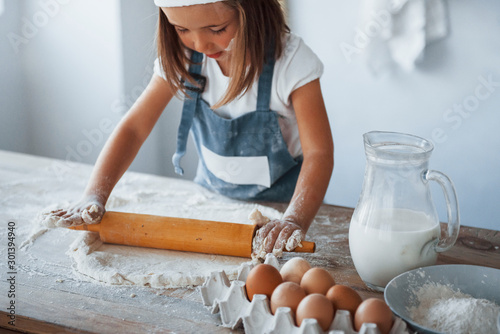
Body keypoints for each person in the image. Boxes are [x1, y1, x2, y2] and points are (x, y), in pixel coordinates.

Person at [44, 0, 334, 257]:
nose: (200, 45)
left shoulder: (291, 61)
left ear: (251, 9)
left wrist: (294, 220)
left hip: (283, 211)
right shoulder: (186, 58)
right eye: (182, 29)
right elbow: (134, 128)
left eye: (217, 29)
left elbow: (319, 153)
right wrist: (95, 193)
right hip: (213, 206)